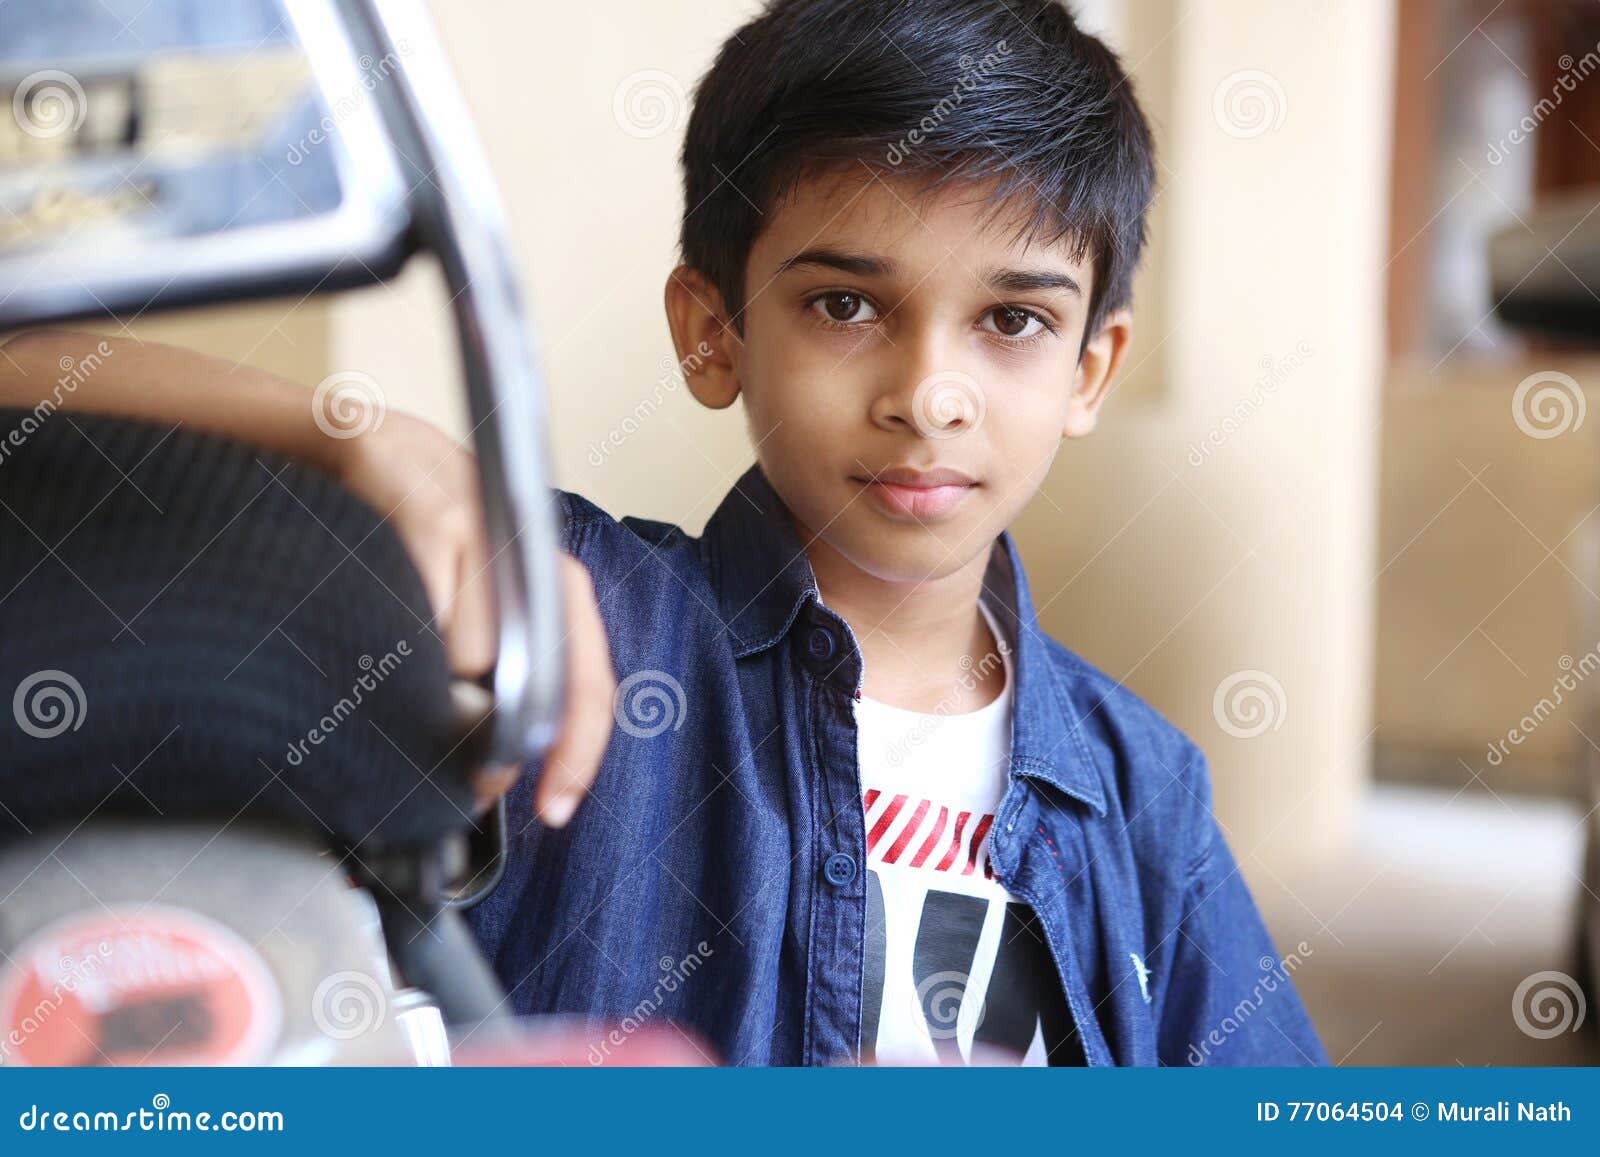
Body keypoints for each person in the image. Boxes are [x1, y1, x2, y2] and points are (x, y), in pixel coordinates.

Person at [0, 0, 1327, 1066]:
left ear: (1093, 368)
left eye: (1013, 321)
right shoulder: (559, 613)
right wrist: (364, 436)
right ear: (713, 330)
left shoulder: (1142, 788)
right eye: (847, 307)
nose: (931, 392)